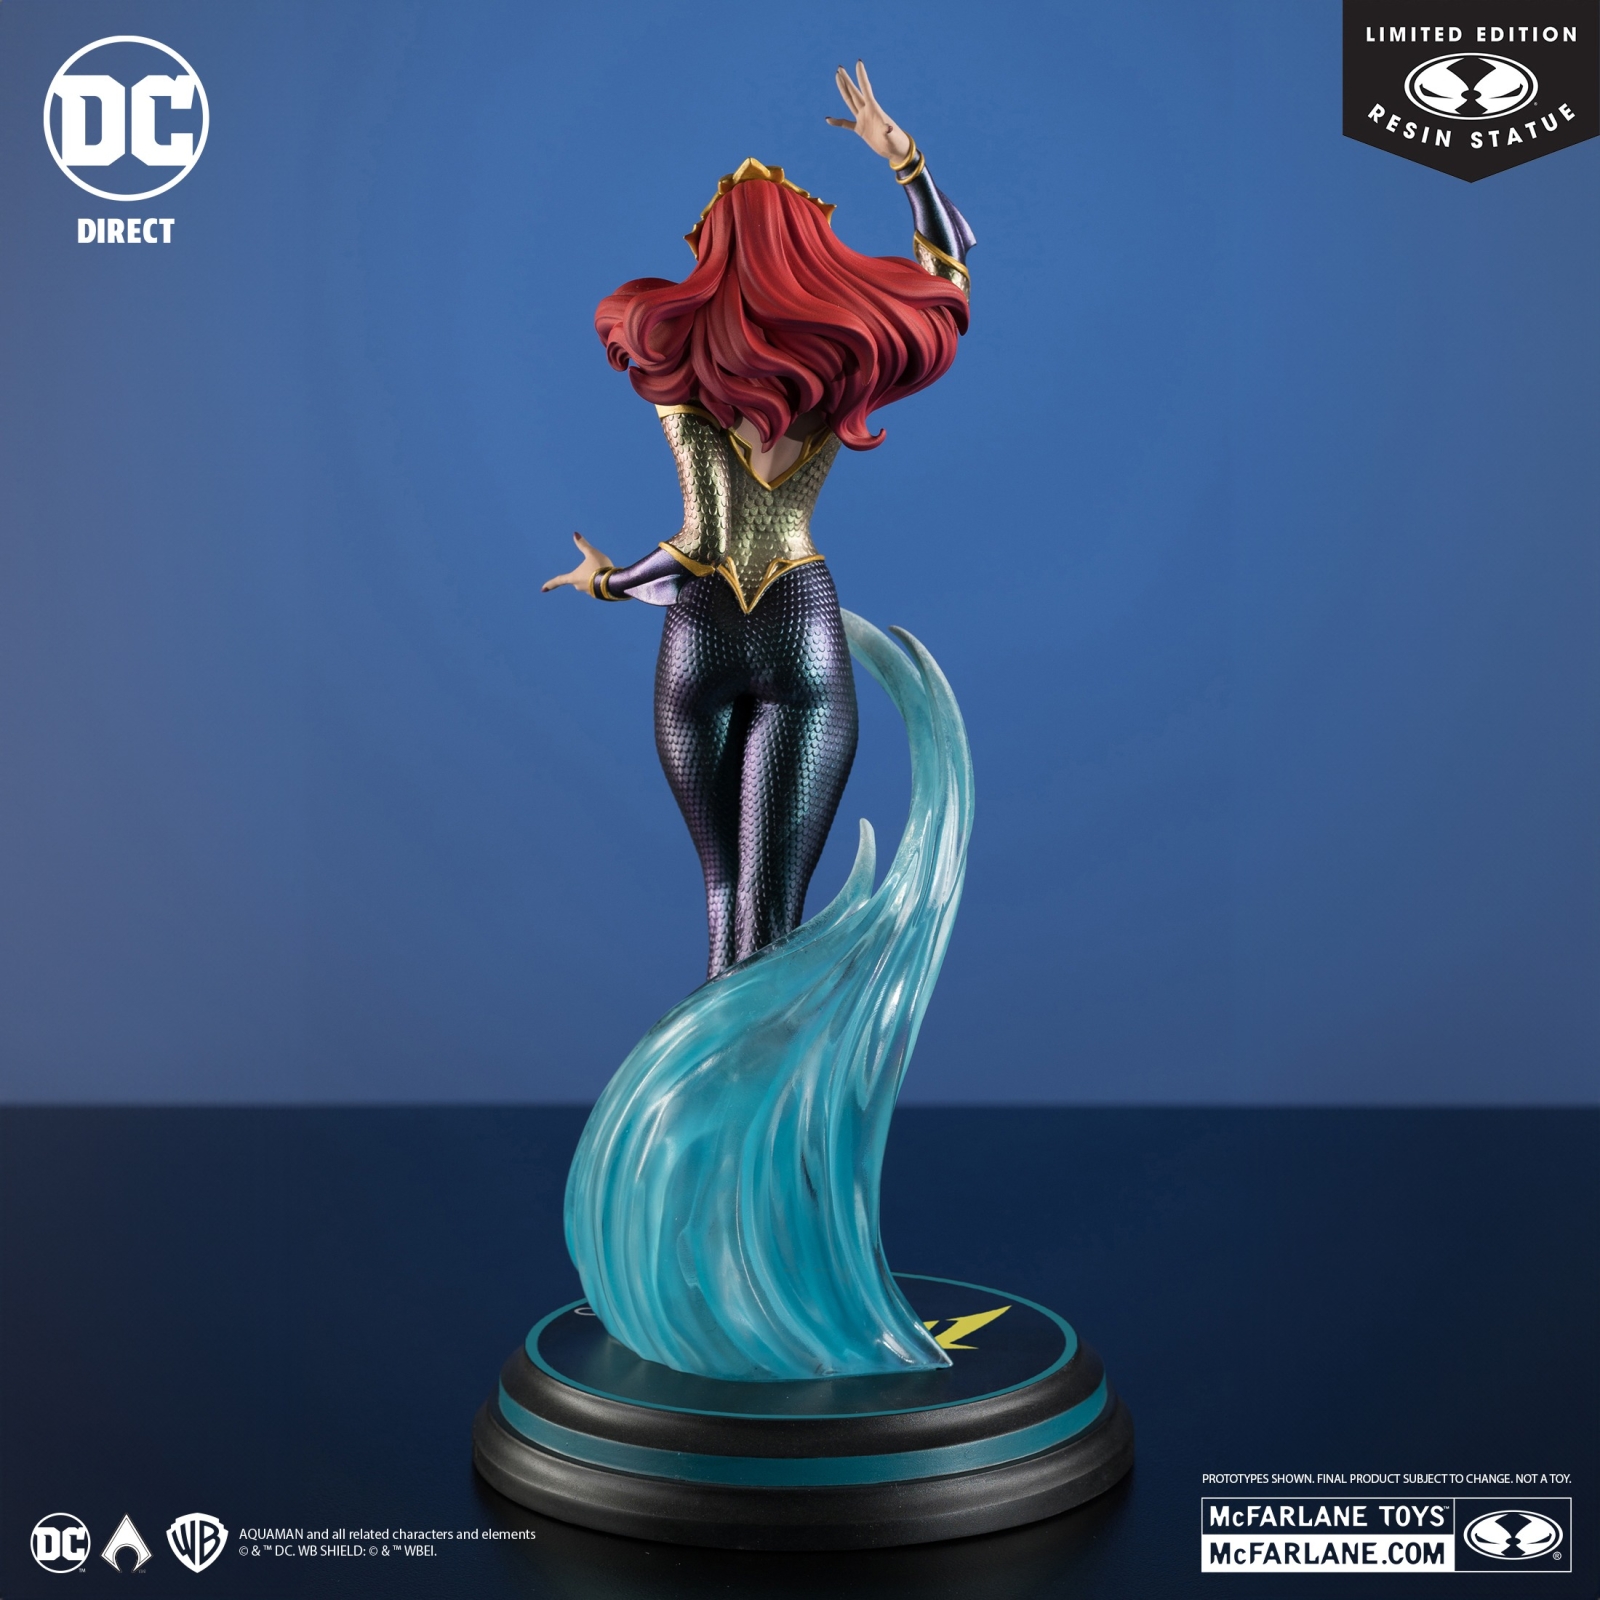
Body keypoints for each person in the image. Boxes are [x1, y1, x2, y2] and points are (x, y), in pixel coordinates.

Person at [544, 63, 974, 979]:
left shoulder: (681, 381)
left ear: (713, 257)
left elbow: (695, 549)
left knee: (722, 898)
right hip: (797, 621)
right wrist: (905, 163)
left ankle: (724, 1071)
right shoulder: (841, 375)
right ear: (811, 257)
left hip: (700, 629)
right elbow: (948, 284)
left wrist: (608, 583)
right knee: (770, 912)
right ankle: (754, 1071)